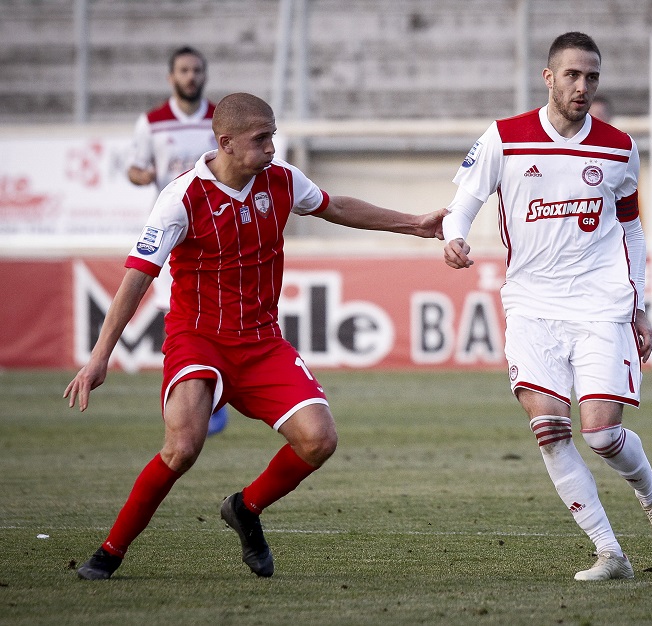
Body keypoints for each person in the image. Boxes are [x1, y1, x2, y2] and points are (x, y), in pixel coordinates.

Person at [66, 92, 445, 580]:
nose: (272, 146)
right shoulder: (181, 198)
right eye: (261, 138)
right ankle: (111, 551)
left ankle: (245, 507)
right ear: (225, 142)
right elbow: (136, 278)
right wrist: (100, 357)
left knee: (319, 440)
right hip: (197, 338)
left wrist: (414, 224)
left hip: (262, 343)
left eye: (273, 135)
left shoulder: (281, 179)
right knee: (182, 447)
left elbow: (335, 206)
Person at [442, 32, 652, 581]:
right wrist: (454, 236)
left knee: (600, 434)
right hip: (531, 304)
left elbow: (631, 229)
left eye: (592, 77)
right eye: (572, 75)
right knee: (550, 429)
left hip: (601, 303)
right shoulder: (505, 138)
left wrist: (638, 305)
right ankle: (609, 551)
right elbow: (465, 201)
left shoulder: (619, 147)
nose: (582, 86)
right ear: (548, 77)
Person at [127, 45, 229, 436]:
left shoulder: (221, 119)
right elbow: (137, 168)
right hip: (174, 232)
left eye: (196, 70)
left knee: (218, 312)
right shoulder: (152, 122)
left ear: (204, 75)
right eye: (184, 70)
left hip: (218, 230)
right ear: (171, 77)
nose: (191, 76)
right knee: (184, 315)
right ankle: (193, 398)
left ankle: (213, 397)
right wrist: (143, 175)